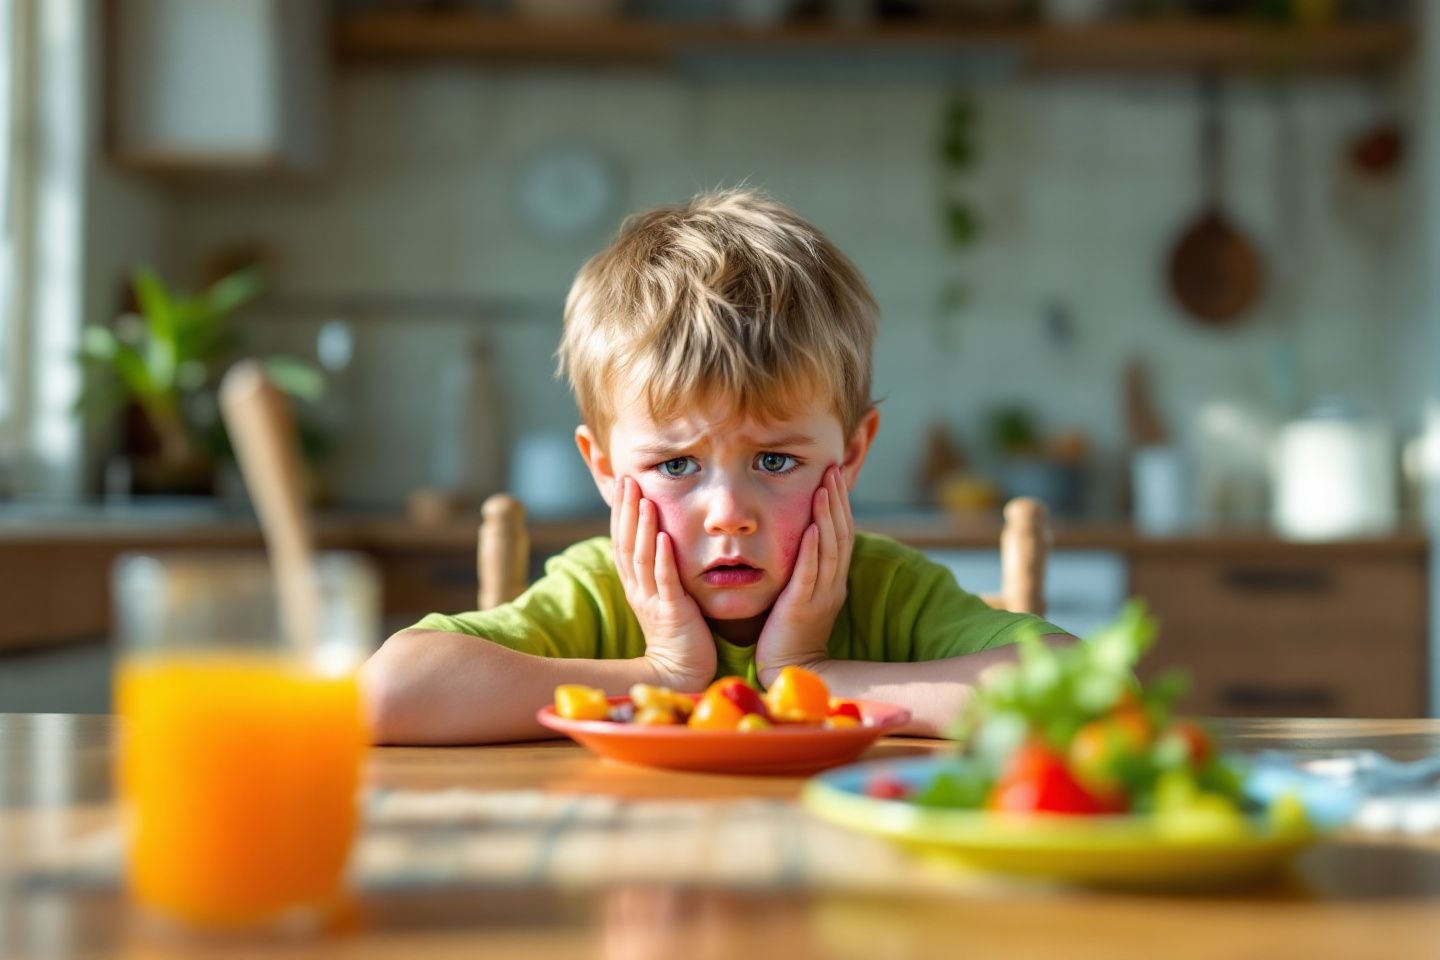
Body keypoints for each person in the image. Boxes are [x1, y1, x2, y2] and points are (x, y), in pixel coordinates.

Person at [363, 189, 1070, 744]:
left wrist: (808, 675)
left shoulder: (884, 590)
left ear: (850, 456)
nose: (728, 510)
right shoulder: (600, 591)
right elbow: (387, 694)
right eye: (676, 465)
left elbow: (1081, 687)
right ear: (606, 471)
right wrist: (663, 674)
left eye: (773, 459)